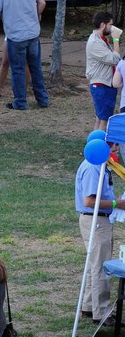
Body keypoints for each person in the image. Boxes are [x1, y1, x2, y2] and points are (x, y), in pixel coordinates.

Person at [0, 0, 49, 110]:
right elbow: (42, 2)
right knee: (36, 67)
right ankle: (42, 100)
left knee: (17, 70)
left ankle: (20, 102)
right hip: (33, 33)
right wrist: (36, 15)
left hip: (15, 36)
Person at [75, 139, 121, 326]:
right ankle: (101, 312)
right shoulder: (94, 167)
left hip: (98, 220)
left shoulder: (98, 163)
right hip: (96, 221)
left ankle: (89, 305)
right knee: (101, 267)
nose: (116, 146)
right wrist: (117, 204)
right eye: (112, 143)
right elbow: (89, 201)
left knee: (94, 264)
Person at [86, 12, 121, 131]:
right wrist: (116, 39)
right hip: (102, 85)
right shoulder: (95, 42)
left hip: (105, 84)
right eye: (110, 24)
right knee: (104, 120)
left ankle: (95, 141)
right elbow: (114, 59)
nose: (112, 28)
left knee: (100, 118)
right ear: (102, 25)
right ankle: (101, 141)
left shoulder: (101, 40)